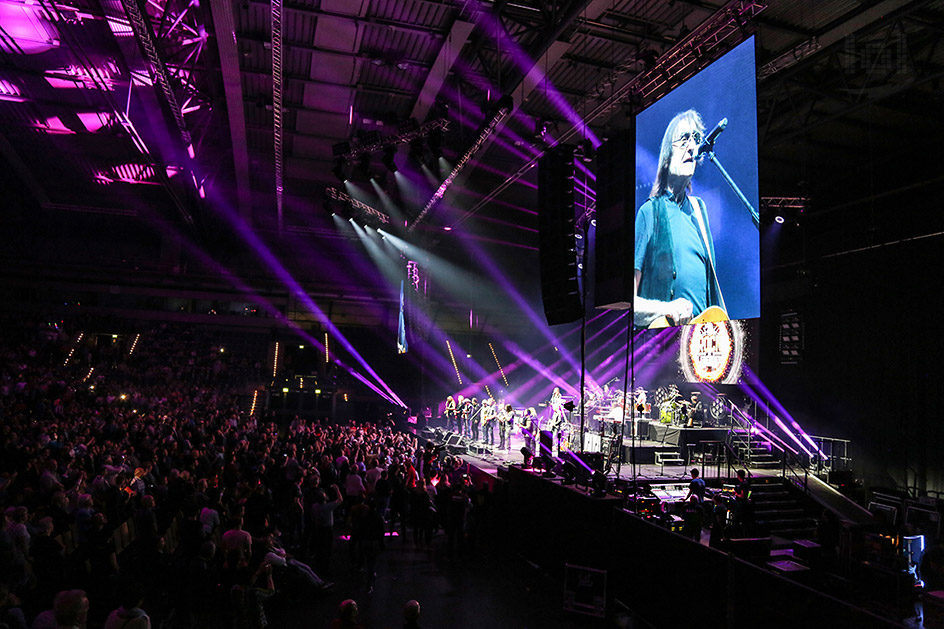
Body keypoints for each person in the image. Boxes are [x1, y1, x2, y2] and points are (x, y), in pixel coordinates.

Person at [634, 109, 726, 328]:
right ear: (667, 154)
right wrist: (667, 309)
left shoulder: (699, 210)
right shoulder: (649, 213)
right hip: (662, 344)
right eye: (684, 139)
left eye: (695, 139)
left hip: (700, 344)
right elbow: (629, 305)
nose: (692, 147)